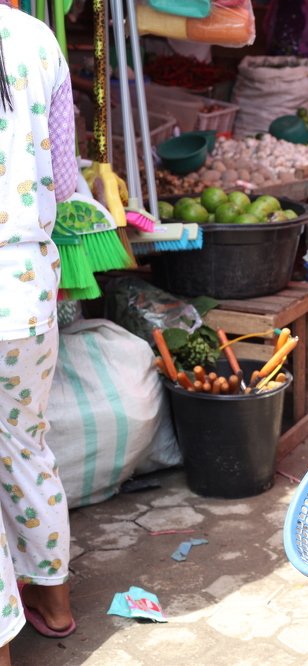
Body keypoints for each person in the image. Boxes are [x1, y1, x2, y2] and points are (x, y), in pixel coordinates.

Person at [0, 3, 78, 659]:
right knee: (24, 443)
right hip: (24, 285)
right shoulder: (36, 38)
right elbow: (67, 174)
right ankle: (52, 599)